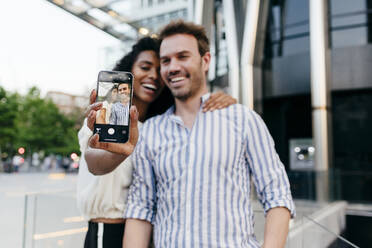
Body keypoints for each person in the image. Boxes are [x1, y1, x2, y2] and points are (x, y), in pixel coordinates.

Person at [122, 20, 295, 248]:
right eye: (166, 60)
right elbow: (141, 209)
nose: (172, 67)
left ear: (205, 61)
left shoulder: (244, 120)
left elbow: (277, 194)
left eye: (183, 56)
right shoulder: (150, 130)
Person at [78, 37, 237, 248]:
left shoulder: (160, 126)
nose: (153, 76)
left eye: (159, 69)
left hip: (151, 233)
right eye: (145, 67)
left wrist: (225, 101)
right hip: (109, 232)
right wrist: (119, 151)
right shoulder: (104, 118)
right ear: (129, 71)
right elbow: (95, 163)